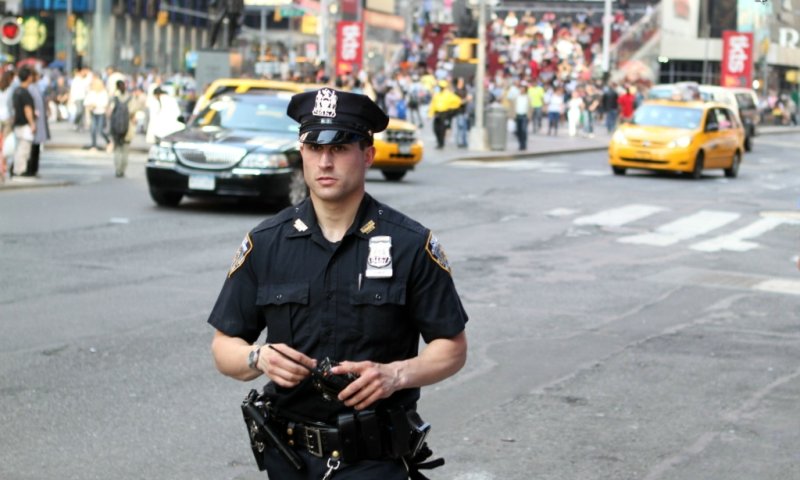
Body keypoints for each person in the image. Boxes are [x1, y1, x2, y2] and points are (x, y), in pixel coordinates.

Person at [208, 88, 468, 479]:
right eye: (314, 148)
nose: (325, 161)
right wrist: (258, 358)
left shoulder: (410, 244)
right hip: (288, 460)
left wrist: (396, 374)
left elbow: (452, 347)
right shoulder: (266, 243)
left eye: (341, 147)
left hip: (375, 460)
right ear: (302, 153)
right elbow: (224, 346)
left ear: (368, 154)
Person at [109, 80, 138, 177]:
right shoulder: (130, 98)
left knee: (117, 150)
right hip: (127, 128)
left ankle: (117, 169)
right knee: (125, 150)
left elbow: (110, 112)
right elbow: (133, 112)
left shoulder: (114, 98)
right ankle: (122, 170)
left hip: (116, 128)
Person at [11, 66, 36, 178]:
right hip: (24, 124)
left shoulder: (16, 91)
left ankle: (16, 168)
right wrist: (32, 123)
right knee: (24, 148)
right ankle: (20, 170)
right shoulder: (25, 92)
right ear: (28, 77)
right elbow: (28, 109)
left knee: (18, 148)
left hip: (17, 122)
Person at [27, 70, 51, 176]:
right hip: (34, 120)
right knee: (31, 147)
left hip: (39, 120)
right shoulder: (30, 88)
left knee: (36, 146)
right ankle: (30, 168)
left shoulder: (36, 87)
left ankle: (34, 168)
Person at [428, 80, 463, 149]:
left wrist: (450, 108)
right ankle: (439, 142)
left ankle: (441, 143)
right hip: (437, 113)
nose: (441, 88)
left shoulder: (449, 95)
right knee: (435, 129)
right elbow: (433, 104)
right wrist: (430, 114)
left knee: (442, 129)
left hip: (444, 113)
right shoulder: (437, 95)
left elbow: (458, 101)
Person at [83, 76, 110, 151]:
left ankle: (108, 141)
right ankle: (94, 145)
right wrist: (90, 105)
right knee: (93, 129)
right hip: (93, 113)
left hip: (101, 113)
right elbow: (86, 102)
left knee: (100, 130)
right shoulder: (91, 92)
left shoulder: (104, 92)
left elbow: (105, 103)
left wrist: (96, 105)